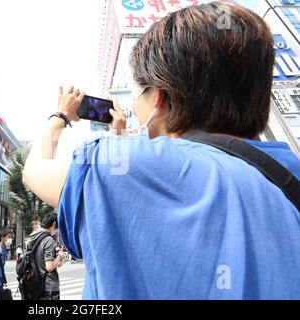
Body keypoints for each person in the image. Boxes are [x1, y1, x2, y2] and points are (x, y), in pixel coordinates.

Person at [23, 2, 300, 299]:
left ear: (159, 96)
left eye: (137, 96)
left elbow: (34, 170)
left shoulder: (123, 167)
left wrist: (60, 116)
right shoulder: (288, 171)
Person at [28, 212, 66, 300]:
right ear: (54, 224)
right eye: (58, 226)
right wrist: (60, 256)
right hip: (48, 285)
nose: (57, 229)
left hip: (34, 282)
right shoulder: (48, 240)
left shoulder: (33, 236)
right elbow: (49, 267)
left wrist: (55, 258)